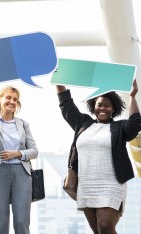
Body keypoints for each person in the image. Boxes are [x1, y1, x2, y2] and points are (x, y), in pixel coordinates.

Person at [56, 79, 141, 234]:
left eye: (107, 105)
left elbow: (135, 123)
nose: (103, 108)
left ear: (113, 109)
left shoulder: (119, 127)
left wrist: (133, 96)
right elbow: (66, 104)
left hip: (112, 184)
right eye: (99, 104)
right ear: (93, 106)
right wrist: (58, 80)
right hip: (87, 184)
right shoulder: (82, 123)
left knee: (105, 225)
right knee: (98, 231)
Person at [0, 76, 39, 234]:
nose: (12, 101)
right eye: (8, 97)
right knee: (1, 222)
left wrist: (17, 153)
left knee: (21, 221)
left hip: (22, 174)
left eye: (15, 99)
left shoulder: (23, 124)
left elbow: (34, 151)